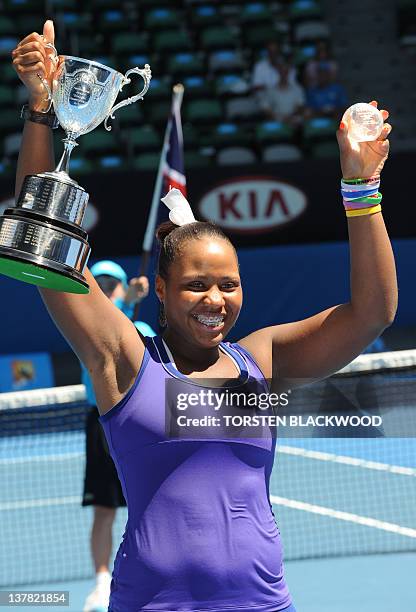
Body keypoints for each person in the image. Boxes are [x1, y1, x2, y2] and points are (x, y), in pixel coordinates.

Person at [13, 21, 397, 612]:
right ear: (160, 291)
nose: (215, 300)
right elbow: (40, 244)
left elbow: (372, 313)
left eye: (228, 285)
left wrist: (360, 184)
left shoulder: (263, 363)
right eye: (195, 285)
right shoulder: (126, 363)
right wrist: (42, 110)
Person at [82, 260, 156, 612]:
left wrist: (130, 305)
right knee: (104, 510)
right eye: (103, 285)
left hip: (141, 424)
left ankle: (147, 575)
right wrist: (126, 302)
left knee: (150, 507)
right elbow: (105, 336)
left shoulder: (141, 327)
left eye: (115, 284)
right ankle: (101, 584)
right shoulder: (85, 332)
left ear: (124, 286)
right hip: (100, 425)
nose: (109, 290)